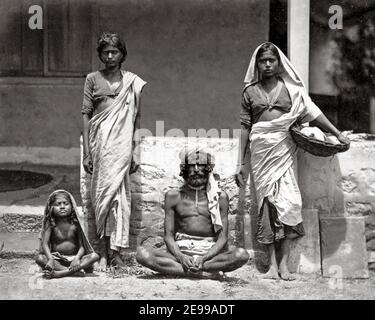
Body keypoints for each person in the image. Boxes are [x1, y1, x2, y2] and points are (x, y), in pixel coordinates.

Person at [235, 42, 350, 281]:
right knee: (267, 205)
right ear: (256, 64)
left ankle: (285, 264)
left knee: (290, 202)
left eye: (271, 60)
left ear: (279, 63)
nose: (267, 64)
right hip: (261, 152)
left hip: (285, 151)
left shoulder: (292, 91)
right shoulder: (249, 92)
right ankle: (272, 267)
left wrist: (337, 133)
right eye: (262, 60)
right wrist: (239, 164)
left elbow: (313, 112)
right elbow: (246, 127)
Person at [81, 32, 146, 271]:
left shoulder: (132, 82)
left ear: (122, 54)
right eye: (105, 52)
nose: (110, 56)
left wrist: (135, 152)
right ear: (100, 55)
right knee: (103, 199)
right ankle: (103, 253)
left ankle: (116, 253)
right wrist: (87, 152)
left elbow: (136, 118)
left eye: (114, 52)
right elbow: (87, 115)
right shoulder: (92, 79)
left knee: (121, 200)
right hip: (101, 147)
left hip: (122, 147)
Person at [136, 147, 249, 279]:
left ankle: (188, 269)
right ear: (184, 170)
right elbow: (168, 236)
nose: (196, 169)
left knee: (241, 255)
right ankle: (205, 273)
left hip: (209, 254)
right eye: (191, 166)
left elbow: (222, 238)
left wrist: (204, 258)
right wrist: (181, 257)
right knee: (142, 254)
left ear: (208, 170)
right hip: (181, 250)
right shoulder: (173, 196)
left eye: (200, 165)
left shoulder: (220, 198)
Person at [35, 190, 99, 279]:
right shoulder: (50, 224)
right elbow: (45, 244)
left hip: (74, 258)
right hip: (57, 259)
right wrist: (50, 259)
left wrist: (77, 258)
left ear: (72, 206)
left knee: (94, 256)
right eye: (58, 204)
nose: (62, 207)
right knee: (40, 258)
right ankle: (73, 271)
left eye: (65, 204)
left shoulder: (76, 224)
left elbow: (81, 246)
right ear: (51, 208)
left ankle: (60, 273)